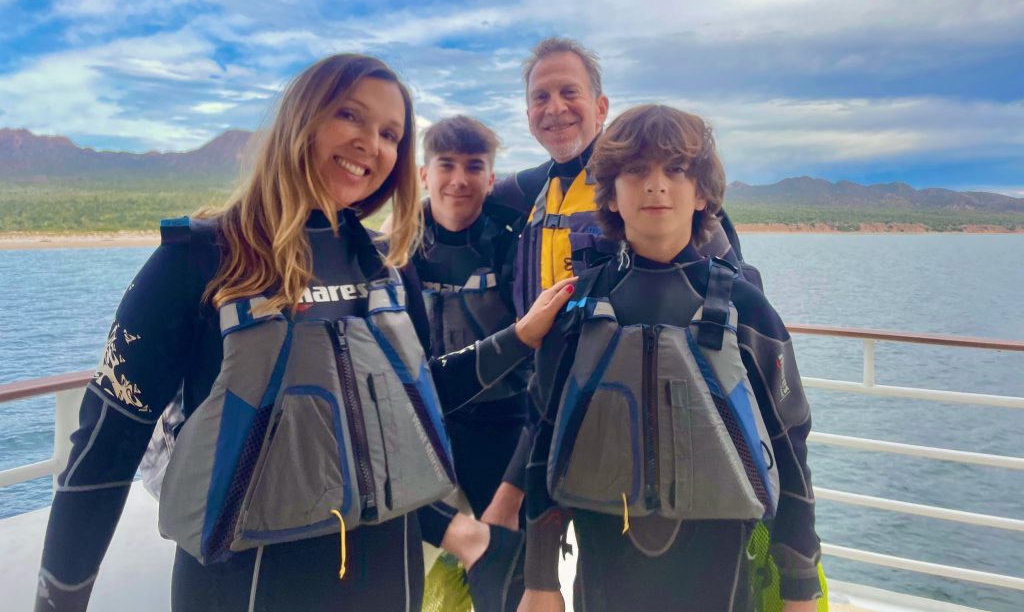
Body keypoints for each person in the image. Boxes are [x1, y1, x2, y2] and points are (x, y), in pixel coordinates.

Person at [34, 54, 573, 612]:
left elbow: (417, 399)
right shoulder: (200, 260)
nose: (372, 142)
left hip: (389, 581)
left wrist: (520, 337)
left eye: (390, 133)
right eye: (350, 115)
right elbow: (102, 454)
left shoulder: (384, 268)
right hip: (244, 586)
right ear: (302, 120)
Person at [518, 105, 822, 612]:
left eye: (676, 170)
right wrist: (540, 578)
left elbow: (791, 448)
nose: (656, 185)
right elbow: (543, 433)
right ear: (611, 195)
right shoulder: (578, 306)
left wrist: (800, 586)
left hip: (719, 568)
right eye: (636, 170)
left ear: (702, 193)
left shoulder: (745, 306)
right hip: (604, 565)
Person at [413, 116, 526, 520]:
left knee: (502, 567)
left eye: (474, 166)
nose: (459, 179)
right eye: (446, 165)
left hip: (501, 423)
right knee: (421, 566)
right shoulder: (396, 247)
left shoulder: (512, 247)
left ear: (491, 179)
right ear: (425, 175)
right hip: (419, 425)